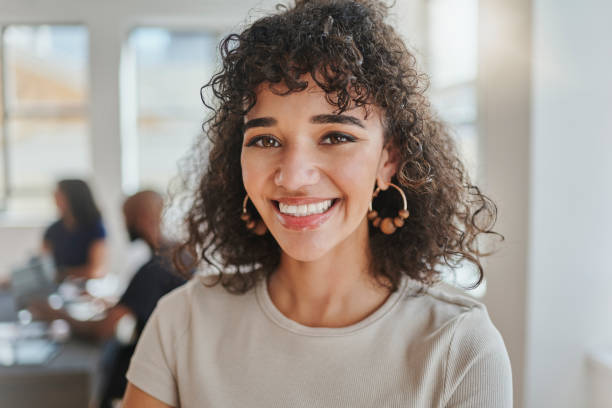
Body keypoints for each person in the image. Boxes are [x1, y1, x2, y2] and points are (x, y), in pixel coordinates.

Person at [123, 1, 513, 407]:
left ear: (388, 159)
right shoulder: (182, 323)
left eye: (335, 137)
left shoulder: (459, 347)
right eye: (265, 140)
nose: (292, 177)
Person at [32, 190, 187, 407]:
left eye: (126, 218)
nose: (124, 225)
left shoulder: (154, 270)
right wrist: (113, 303)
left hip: (151, 371)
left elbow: (102, 330)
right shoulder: (182, 256)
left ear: (141, 219)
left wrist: (57, 315)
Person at [43, 179, 106, 280]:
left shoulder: (94, 229)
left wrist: (63, 272)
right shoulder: (53, 230)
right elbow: (43, 265)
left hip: (86, 287)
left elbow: (95, 270)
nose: (54, 200)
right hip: (57, 286)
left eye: (58, 196)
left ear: (72, 197)